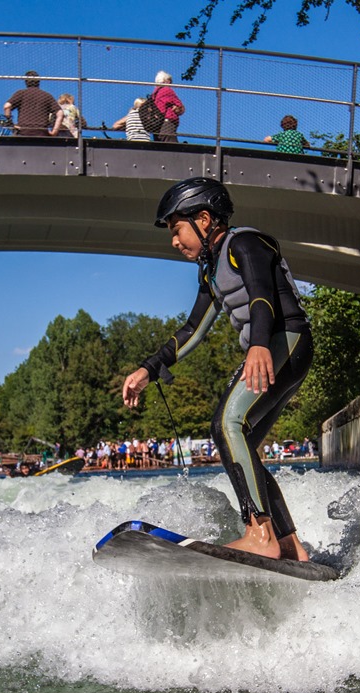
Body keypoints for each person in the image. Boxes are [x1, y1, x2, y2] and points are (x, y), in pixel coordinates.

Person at [122, 177, 313, 561]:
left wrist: (258, 344)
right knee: (241, 445)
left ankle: (260, 535)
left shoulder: (245, 244)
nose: (174, 242)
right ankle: (290, 545)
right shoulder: (210, 270)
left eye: (177, 230)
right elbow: (192, 330)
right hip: (272, 347)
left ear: (204, 219)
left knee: (225, 424)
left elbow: (262, 294)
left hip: (283, 341)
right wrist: (148, 368)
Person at [3, 71, 64, 137]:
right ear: (38, 82)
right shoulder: (46, 95)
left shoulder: (21, 93)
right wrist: (54, 131)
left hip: (23, 131)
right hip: (41, 131)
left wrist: (11, 124)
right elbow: (60, 113)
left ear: (26, 82)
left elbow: (7, 106)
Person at [152, 71, 184, 143]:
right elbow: (180, 106)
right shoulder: (167, 90)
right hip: (167, 123)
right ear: (166, 81)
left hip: (156, 125)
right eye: (170, 81)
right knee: (172, 148)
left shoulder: (154, 94)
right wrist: (180, 108)